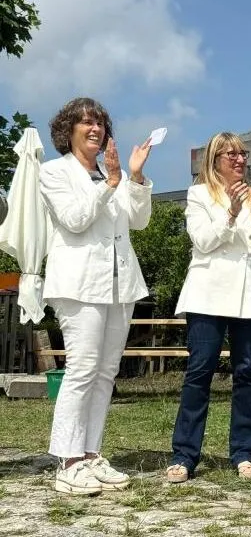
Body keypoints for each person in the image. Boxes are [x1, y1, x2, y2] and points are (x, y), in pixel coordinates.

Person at [40, 97, 153, 495]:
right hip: (79, 284)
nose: (95, 128)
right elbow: (74, 220)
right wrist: (109, 186)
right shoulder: (53, 172)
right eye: (86, 122)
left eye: (100, 122)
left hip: (120, 285)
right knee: (83, 369)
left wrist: (134, 178)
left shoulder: (114, 173)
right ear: (67, 131)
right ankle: (68, 462)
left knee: (105, 372)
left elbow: (138, 221)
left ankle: (90, 454)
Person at [167, 132, 251, 483]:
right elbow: (202, 241)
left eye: (242, 153)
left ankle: (244, 452)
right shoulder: (199, 194)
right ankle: (185, 455)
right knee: (200, 372)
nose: (238, 160)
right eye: (230, 154)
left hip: (249, 292)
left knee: (247, 371)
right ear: (214, 159)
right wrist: (231, 214)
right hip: (208, 293)